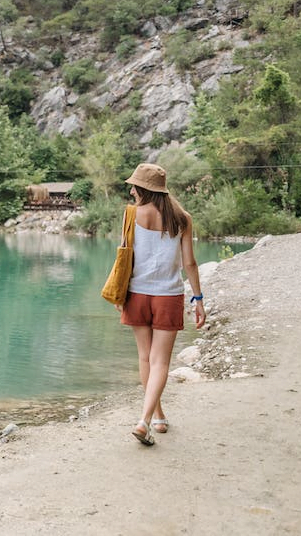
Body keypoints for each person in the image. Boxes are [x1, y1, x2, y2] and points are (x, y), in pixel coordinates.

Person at [117, 162, 205, 446]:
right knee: (160, 361)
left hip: (137, 294)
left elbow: (123, 257)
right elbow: (189, 263)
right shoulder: (183, 218)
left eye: (134, 187)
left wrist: (121, 295)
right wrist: (198, 298)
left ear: (145, 190)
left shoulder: (131, 215)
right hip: (169, 295)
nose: (131, 191)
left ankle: (147, 419)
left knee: (146, 358)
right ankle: (153, 416)